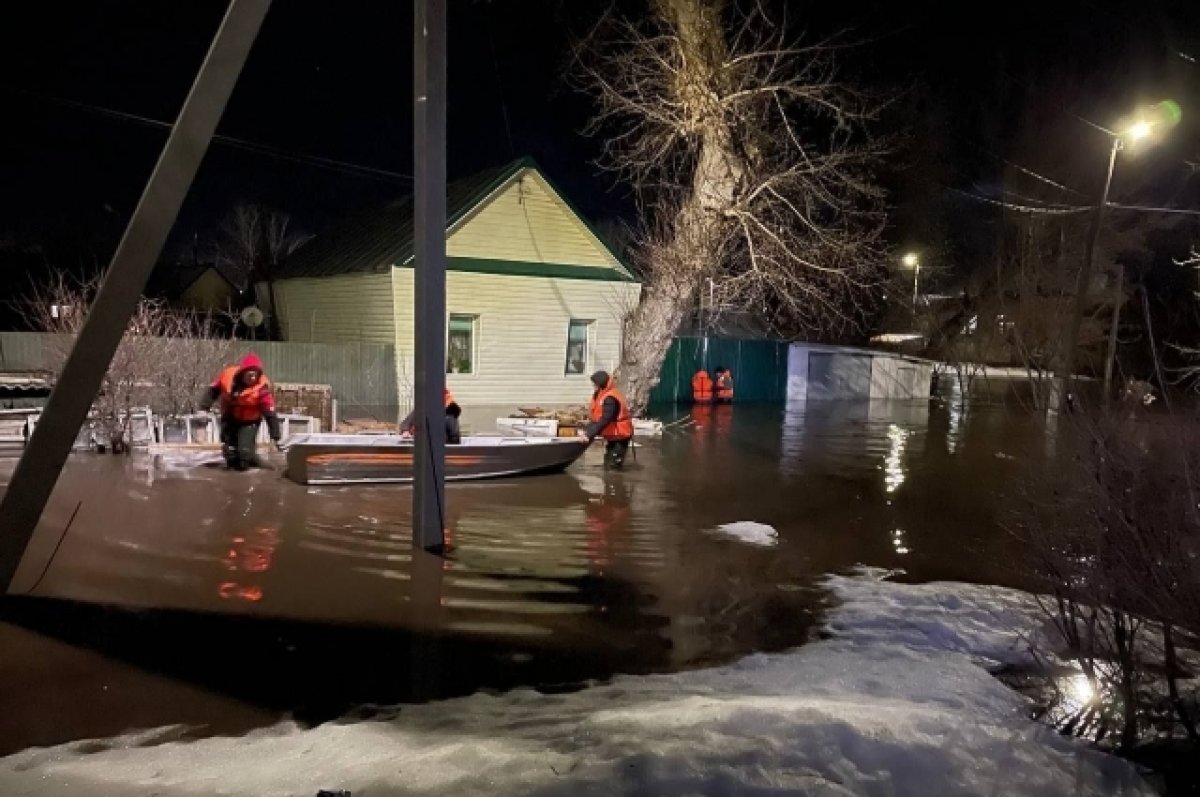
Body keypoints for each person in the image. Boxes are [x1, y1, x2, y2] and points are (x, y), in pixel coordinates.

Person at [200, 353, 282, 471]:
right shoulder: (227, 376)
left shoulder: (262, 390)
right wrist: (203, 408)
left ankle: (254, 460)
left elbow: (270, 414)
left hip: (250, 421)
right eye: (250, 375)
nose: (253, 378)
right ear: (243, 373)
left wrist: (276, 437)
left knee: (244, 456)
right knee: (230, 453)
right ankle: (234, 470)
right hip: (230, 417)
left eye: (255, 375)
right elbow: (213, 390)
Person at [581, 370, 634, 469]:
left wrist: (589, 434)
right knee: (608, 464)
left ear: (601, 383)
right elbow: (597, 418)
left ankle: (615, 481)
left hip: (620, 435)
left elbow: (605, 420)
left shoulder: (610, 398)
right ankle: (610, 480)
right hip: (613, 435)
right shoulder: (601, 394)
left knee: (613, 465)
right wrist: (586, 431)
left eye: (594, 383)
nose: (593, 386)